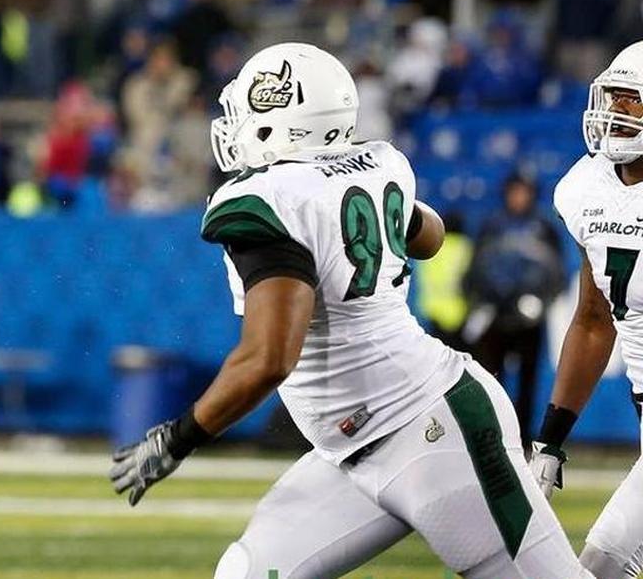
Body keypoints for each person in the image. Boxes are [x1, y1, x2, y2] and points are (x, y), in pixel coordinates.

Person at [109, 42, 591, 578]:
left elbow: (268, 359)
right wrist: (372, 200)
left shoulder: (269, 198)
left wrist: (178, 438)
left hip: (430, 426)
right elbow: (426, 236)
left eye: (252, 109)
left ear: (282, 123)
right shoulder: (381, 162)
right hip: (350, 450)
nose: (237, 123)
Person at [530, 40, 643, 579]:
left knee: (600, 563)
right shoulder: (586, 185)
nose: (617, 111)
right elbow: (595, 321)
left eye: (633, 101)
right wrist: (550, 439)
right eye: (614, 97)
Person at [465, 171, 565, 448]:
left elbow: (557, 273)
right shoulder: (493, 224)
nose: (518, 197)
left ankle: (520, 439)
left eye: (523, 191)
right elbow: (476, 267)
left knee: (527, 382)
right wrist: (481, 300)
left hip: (529, 319)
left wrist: (540, 302)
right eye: (514, 190)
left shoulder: (543, 226)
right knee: (491, 379)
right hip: (497, 315)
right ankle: (492, 435)